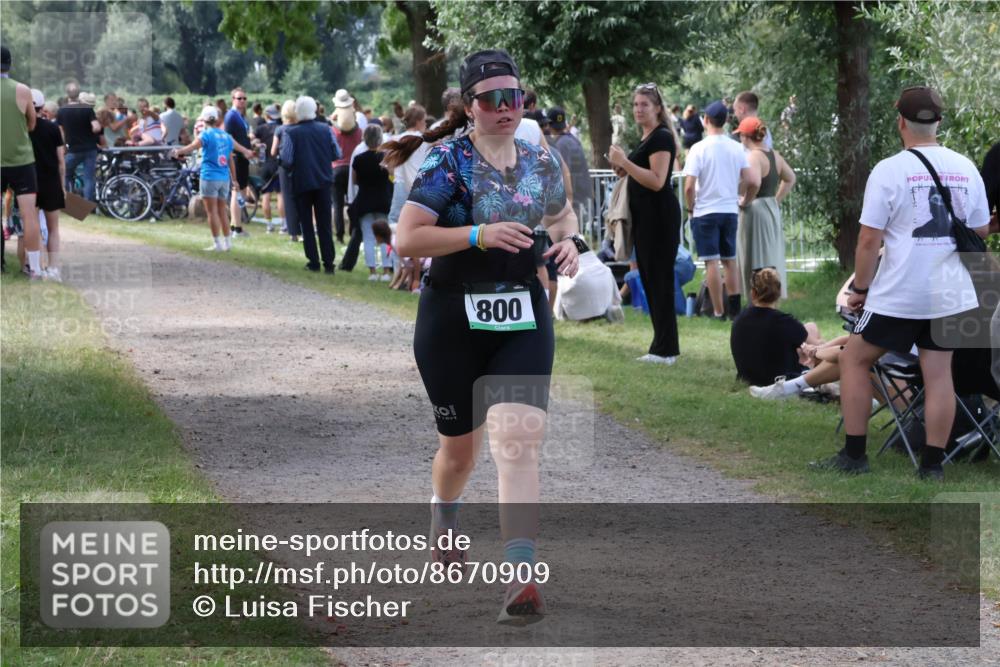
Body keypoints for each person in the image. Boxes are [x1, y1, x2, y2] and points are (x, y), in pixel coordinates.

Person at [387, 49, 581, 625]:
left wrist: (571, 241)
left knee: (518, 441)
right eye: (493, 99)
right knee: (459, 451)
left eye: (515, 97)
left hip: (523, 311)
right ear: (469, 107)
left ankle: (521, 578)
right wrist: (477, 234)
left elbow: (562, 214)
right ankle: (443, 517)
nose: (506, 108)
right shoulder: (447, 162)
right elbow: (406, 239)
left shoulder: (538, 158)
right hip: (451, 319)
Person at [813, 86, 991, 481]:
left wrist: (860, 289)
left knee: (855, 358)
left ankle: (855, 455)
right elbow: (979, 228)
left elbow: (868, 239)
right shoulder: (966, 167)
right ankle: (931, 466)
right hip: (950, 292)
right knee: (939, 373)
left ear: (901, 124)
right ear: (938, 122)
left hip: (900, 292)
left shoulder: (889, 170)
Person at [607, 83, 681, 364]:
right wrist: (622, 166)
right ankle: (660, 345)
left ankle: (666, 350)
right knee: (650, 280)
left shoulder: (661, 137)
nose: (638, 109)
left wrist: (626, 160)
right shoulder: (647, 137)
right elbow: (640, 174)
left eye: (644, 105)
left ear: (658, 109)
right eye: (636, 104)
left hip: (659, 219)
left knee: (659, 280)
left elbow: (657, 180)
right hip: (646, 219)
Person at [683, 100, 756, 320]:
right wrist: (740, 195)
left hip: (705, 211)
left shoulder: (698, 148)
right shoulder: (736, 147)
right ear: (725, 121)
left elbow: (688, 186)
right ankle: (735, 310)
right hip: (729, 209)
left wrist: (690, 207)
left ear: (705, 120)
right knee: (729, 260)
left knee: (711, 261)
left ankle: (718, 310)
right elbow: (751, 180)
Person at [173, 106, 255, 252]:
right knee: (222, 211)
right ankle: (228, 243)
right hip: (224, 178)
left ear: (204, 119)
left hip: (210, 176)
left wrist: (177, 151)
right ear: (217, 119)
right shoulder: (226, 136)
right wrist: (234, 179)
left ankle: (217, 244)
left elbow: (191, 147)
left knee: (212, 212)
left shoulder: (205, 135)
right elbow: (231, 159)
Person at [735, 117, 796, 302]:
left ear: (746, 137)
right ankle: (770, 297)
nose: (740, 140)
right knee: (770, 253)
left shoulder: (754, 156)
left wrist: (745, 201)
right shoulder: (774, 155)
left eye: (740, 136)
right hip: (770, 207)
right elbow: (790, 178)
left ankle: (759, 299)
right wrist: (776, 200)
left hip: (756, 209)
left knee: (756, 255)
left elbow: (754, 182)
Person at [731, 268, 825, 387]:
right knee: (814, 340)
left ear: (753, 293)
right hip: (781, 379)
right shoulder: (784, 321)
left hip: (749, 379)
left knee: (810, 327)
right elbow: (818, 348)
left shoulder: (739, 319)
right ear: (779, 292)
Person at [281, 96, 340, 273]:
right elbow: (336, 153)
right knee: (324, 224)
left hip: (301, 181)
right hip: (323, 180)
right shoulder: (326, 129)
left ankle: (313, 261)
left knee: (306, 223)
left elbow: (287, 159)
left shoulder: (291, 132)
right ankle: (329, 263)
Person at [1, 45, 44, 280]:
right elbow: (32, 123)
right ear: (10, 64)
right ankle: (35, 268)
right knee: (29, 216)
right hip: (22, 160)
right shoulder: (23, 90)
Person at [341, 124, 393, 279]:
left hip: (365, 201)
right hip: (384, 200)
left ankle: (372, 272)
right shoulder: (386, 158)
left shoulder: (358, 159)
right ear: (380, 138)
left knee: (368, 236)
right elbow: (392, 177)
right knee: (385, 236)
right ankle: (386, 271)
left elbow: (355, 180)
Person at [28, 88, 66, 281]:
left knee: (32, 225)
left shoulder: (23, 128)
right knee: (53, 229)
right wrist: (63, 184)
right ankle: (53, 268)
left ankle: (37, 266)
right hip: (50, 180)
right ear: (43, 107)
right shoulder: (53, 128)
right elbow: (61, 160)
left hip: (29, 180)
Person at [547, 106, 593, 227]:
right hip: (581, 195)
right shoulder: (571, 140)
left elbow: (562, 174)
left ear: (549, 125)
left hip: (573, 198)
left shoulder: (561, 144)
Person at [57, 81, 101, 201]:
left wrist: (64, 147)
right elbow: (96, 127)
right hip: (90, 149)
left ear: (67, 95)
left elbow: (61, 132)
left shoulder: (61, 111)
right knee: (89, 178)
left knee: (65, 172)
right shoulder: (87, 109)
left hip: (73, 149)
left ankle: (68, 201)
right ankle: (88, 205)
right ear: (78, 94)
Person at [331, 89, 363, 245]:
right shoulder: (358, 131)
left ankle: (339, 235)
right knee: (352, 202)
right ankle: (354, 231)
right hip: (352, 169)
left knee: (337, 205)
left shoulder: (333, 131)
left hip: (336, 169)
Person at [224, 87, 253, 237]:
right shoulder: (231, 116)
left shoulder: (240, 117)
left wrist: (251, 144)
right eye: (239, 98)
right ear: (233, 99)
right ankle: (236, 228)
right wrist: (244, 150)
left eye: (244, 98)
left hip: (242, 158)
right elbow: (229, 139)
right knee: (237, 191)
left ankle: (236, 226)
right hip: (236, 157)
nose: (242, 101)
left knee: (240, 191)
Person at [272, 100, 300, 242]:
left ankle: (292, 232)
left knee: (287, 197)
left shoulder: (279, 129)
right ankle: (303, 229)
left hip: (284, 166)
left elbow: (272, 151)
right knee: (301, 196)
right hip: (300, 165)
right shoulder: (300, 128)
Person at [255, 103, 283, 233]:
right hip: (278, 164)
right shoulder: (282, 128)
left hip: (265, 164)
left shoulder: (260, 129)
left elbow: (253, 141)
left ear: (266, 115)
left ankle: (269, 224)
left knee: (265, 195)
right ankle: (283, 225)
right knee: (280, 195)